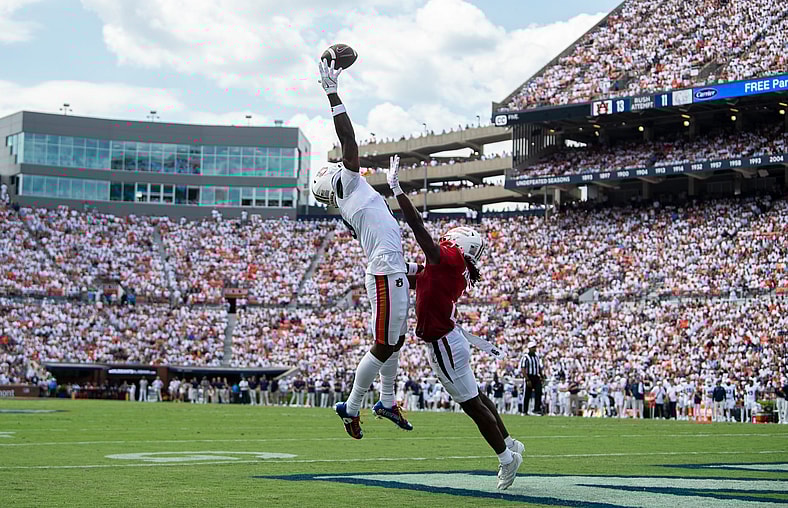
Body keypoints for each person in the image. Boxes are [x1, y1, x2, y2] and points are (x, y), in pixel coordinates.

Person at [385, 154, 523, 490]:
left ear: (458, 243)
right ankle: (509, 443)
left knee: (472, 406)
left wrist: (398, 191)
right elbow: (419, 276)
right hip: (450, 339)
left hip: (444, 341)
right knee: (477, 397)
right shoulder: (454, 266)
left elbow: (420, 232)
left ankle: (506, 458)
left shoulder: (450, 258)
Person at [314, 58, 412, 439]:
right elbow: (349, 141)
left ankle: (386, 400)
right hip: (386, 271)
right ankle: (352, 405)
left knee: (396, 340)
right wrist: (333, 94)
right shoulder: (351, 187)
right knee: (384, 342)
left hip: (391, 269)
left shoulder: (350, 199)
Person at [520, 341, 544, 416]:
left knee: (538, 392)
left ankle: (536, 410)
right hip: (529, 376)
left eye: (535, 347)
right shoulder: (525, 357)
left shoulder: (536, 357)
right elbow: (523, 369)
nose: (534, 349)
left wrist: (542, 375)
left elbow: (538, 367)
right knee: (527, 394)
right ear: (529, 348)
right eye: (533, 348)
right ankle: (524, 411)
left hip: (536, 377)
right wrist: (527, 379)